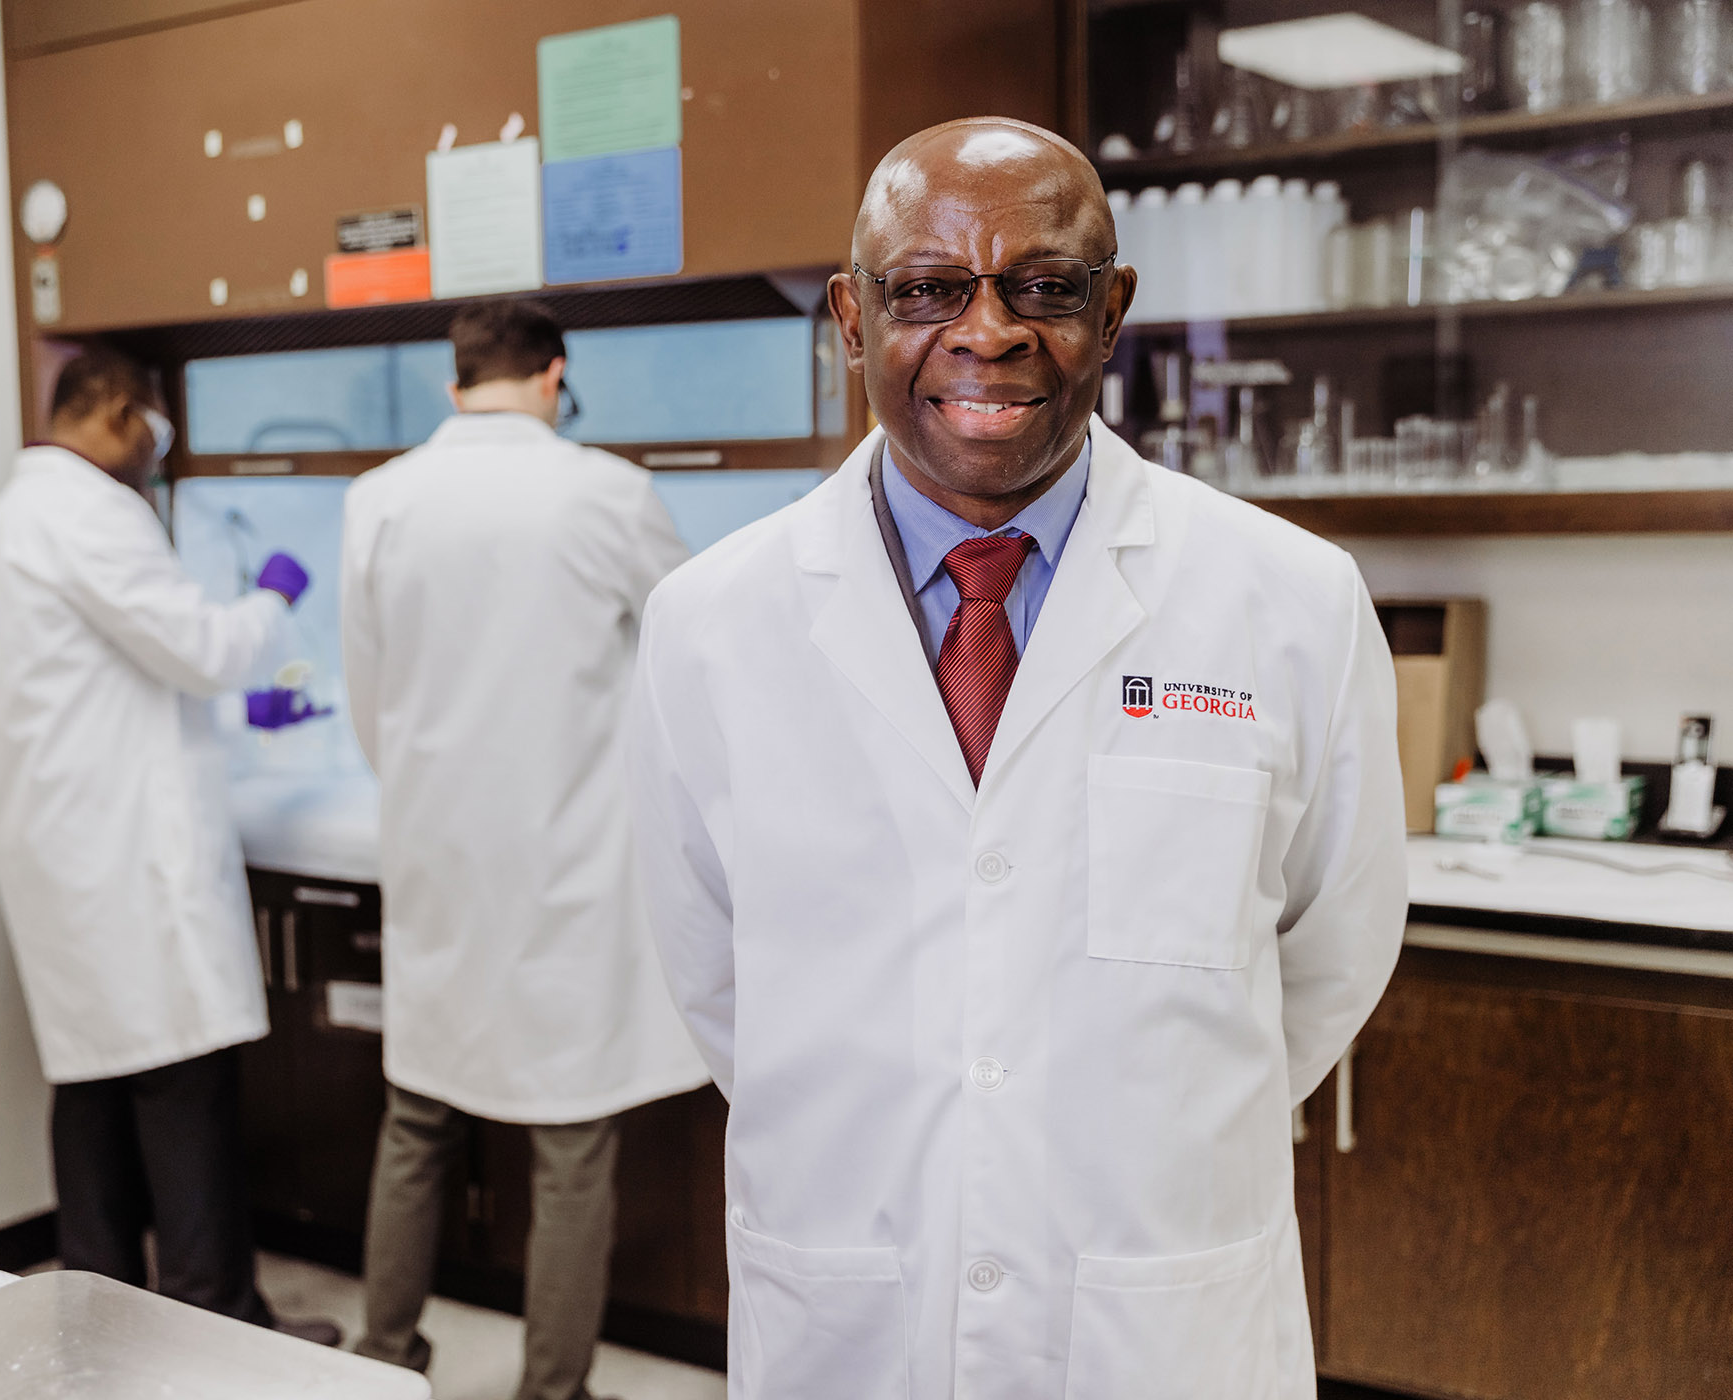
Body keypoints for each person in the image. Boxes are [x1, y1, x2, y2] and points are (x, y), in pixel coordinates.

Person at [629, 119, 1407, 1399]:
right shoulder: (714, 621)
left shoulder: (1291, 600)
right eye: (927, 287)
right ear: (848, 315)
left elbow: (1333, 950)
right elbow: (713, 968)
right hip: (853, 1308)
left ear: (1113, 312)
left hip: (1157, 1313)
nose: (986, 331)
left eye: (1043, 286)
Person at [341, 301, 708, 1400]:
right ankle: (553, 1389)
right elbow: (690, 655)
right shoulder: (603, 491)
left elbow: (371, 693)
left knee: (417, 1113)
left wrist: (425, 788)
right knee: (570, 1138)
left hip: (438, 857)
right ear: (555, 376)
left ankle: (387, 1355)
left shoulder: (380, 499)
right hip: (568, 864)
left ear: (455, 388)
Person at [0, 346, 332, 1339]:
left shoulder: (8, 522)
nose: (158, 452)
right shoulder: (88, 511)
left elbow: (110, 672)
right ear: (123, 413)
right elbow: (200, 646)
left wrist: (237, 697)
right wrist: (277, 598)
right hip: (125, 855)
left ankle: (104, 1313)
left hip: (65, 846)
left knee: (92, 1083)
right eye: (158, 428)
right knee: (181, 1079)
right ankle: (221, 1317)